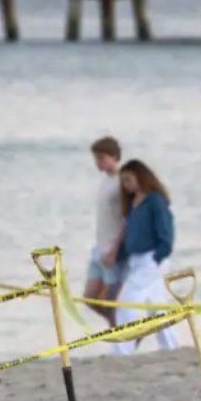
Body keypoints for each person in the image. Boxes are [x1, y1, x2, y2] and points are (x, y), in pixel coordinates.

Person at [111, 159, 180, 355]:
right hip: (137, 259)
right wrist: (119, 255)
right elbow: (132, 234)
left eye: (129, 180)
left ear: (140, 177)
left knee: (126, 300)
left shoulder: (155, 200)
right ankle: (172, 347)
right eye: (123, 182)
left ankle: (123, 350)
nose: (126, 185)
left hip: (152, 258)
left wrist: (159, 255)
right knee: (157, 308)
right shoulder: (133, 203)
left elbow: (166, 231)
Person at [84, 137, 126, 327]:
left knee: (108, 301)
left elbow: (127, 219)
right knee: (90, 299)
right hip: (98, 248)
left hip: (112, 249)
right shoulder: (105, 180)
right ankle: (122, 330)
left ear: (114, 157)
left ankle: (122, 337)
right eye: (96, 158)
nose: (97, 163)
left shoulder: (122, 182)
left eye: (101, 158)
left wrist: (115, 250)